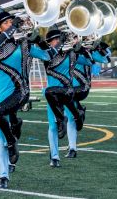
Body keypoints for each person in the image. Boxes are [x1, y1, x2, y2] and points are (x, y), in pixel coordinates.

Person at [0, 11, 53, 189]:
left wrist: (38, 38)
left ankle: (11, 145)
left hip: (20, 92)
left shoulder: (25, 44)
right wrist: (13, 27)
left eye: (12, 22)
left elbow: (49, 56)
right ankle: (4, 174)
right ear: (0, 28)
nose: (11, 24)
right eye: (7, 23)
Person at [44, 29, 87, 168]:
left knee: (69, 120)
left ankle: (72, 147)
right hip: (53, 96)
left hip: (68, 92)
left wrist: (81, 47)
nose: (57, 42)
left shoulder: (72, 53)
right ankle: (55, 157)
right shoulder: (47, 54)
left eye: (59, 39)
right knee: (53, 126)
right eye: (55, 40)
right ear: (50, 43)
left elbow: (90, 61)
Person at [65, 42, 111, 158]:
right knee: (70, 118)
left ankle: (79, 111)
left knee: (68, 108)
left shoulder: (88, 51)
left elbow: (106, 59)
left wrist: (99, 46)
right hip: (67, 88)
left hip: (82, 88)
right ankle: (72, 148)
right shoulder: (66, 50)